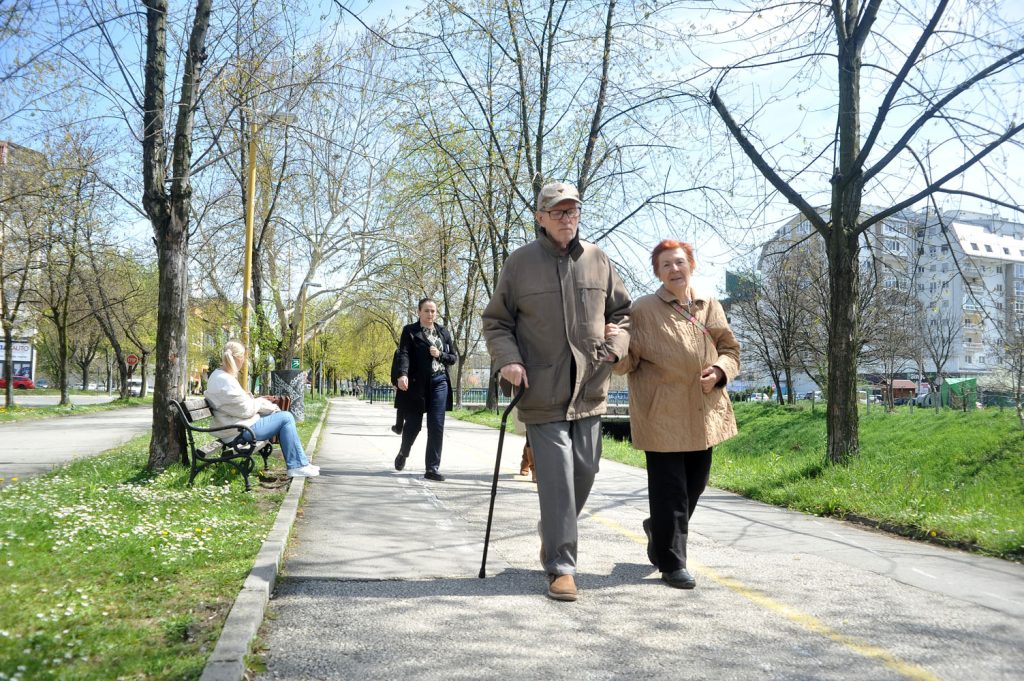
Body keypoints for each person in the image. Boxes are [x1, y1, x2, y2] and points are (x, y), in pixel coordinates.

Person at [482, 181, 631, 602]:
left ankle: (552, 531)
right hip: (541, 389)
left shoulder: (599, 259)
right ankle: (561, 567)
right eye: (558, 212)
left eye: (573, 211)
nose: (567, 218)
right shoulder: (520, 263)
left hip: (590, 386)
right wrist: (508, 360)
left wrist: (616, 344)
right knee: (558, 481)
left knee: (585, 470)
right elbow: (496, 322)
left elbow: (624, 313)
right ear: (540, 217)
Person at [613, 240, 740, 589]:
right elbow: (628, 362)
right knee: (671, 493)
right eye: (665, 264)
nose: (674, 269)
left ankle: (659, 530)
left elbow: (730, 349)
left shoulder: (708, 303)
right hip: (661, 414)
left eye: (680, 262)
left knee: (695, 485)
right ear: (658, 272)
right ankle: (672, 563)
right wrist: (613, 348)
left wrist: (719, 370)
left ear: (691, 265)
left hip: (704, 412)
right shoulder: (642, 309)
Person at [205, 341, 319, 478]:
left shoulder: (220, 376)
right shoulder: (224, 380)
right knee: (286, 418)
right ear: (239, 358)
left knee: (282, 416)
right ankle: (297, 466)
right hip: (237, 432)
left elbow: (239, 406)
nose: (244, 361)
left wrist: (258, 403)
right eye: (244, 357)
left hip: (236, 427)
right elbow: (245, 410)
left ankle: (300, 463)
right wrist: (259, 403)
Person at [393, 298, 457, 482]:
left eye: (433, 311)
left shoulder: (443, 332)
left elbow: (453, 357)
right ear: (419, 312)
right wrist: (402, 374)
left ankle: (432, 468)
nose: (430, 314)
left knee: (436, 425)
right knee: (413, 425)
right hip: (417, 385)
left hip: (439, 382)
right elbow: (404, 353)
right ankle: (404, 452)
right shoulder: (410, 331)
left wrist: (440, 354)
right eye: (427, 311)